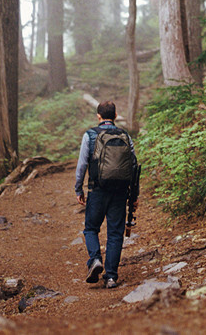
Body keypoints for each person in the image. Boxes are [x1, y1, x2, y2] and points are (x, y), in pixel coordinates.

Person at [74, 100, 139, 288]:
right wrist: (134, 196)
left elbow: (82, 165)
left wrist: (78, 189)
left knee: (91, 228)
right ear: (116, 115)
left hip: (97, 190)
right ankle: (111, 277)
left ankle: (95, 260)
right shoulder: (125, 135)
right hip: (120, 192)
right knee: (115, 234)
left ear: (98, 116)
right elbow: (134, 166)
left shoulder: (90, 135)